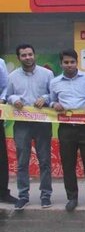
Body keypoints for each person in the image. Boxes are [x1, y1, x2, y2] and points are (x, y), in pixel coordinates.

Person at [49, 49, 85, 212]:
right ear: (61, 64)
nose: (69, 65)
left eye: (72, 62)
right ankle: (72, 197)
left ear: (77, 62)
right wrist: (54, 104)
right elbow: (51, 100)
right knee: (68, 164)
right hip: (66, 129)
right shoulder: (55, 82)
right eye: (66, 62)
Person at [4, 44, 54, 210]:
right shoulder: (12, 76)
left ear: (35, 55)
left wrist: (45, 98)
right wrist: (14, 99)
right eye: (24, 55)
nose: (27, 57)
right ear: (19, 58)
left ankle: (45, 195)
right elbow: (8, 95)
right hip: (22, 124)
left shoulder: (47, 74)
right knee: (22, 162)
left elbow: (54, 94)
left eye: (30, 54)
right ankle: (23, 196)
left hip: (42, 123)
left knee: (45, 160)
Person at [0, 56, 17, 204]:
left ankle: (2, 192)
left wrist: (2, 100)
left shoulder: (0, 63)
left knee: (0, 156)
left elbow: (5, 86)